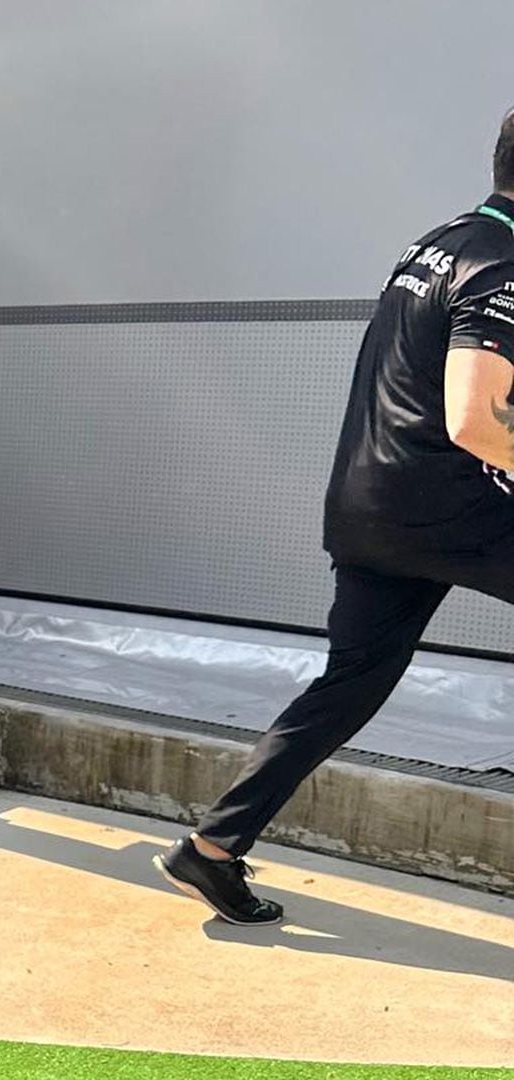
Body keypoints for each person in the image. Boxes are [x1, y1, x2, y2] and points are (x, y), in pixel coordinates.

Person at [157, 111, 514, 925]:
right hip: (450, 512)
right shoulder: (501, 265)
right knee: (351, 683)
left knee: (348, 686)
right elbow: (474, 418)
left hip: (371, 508)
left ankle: (211, 849)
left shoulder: (439, 244)